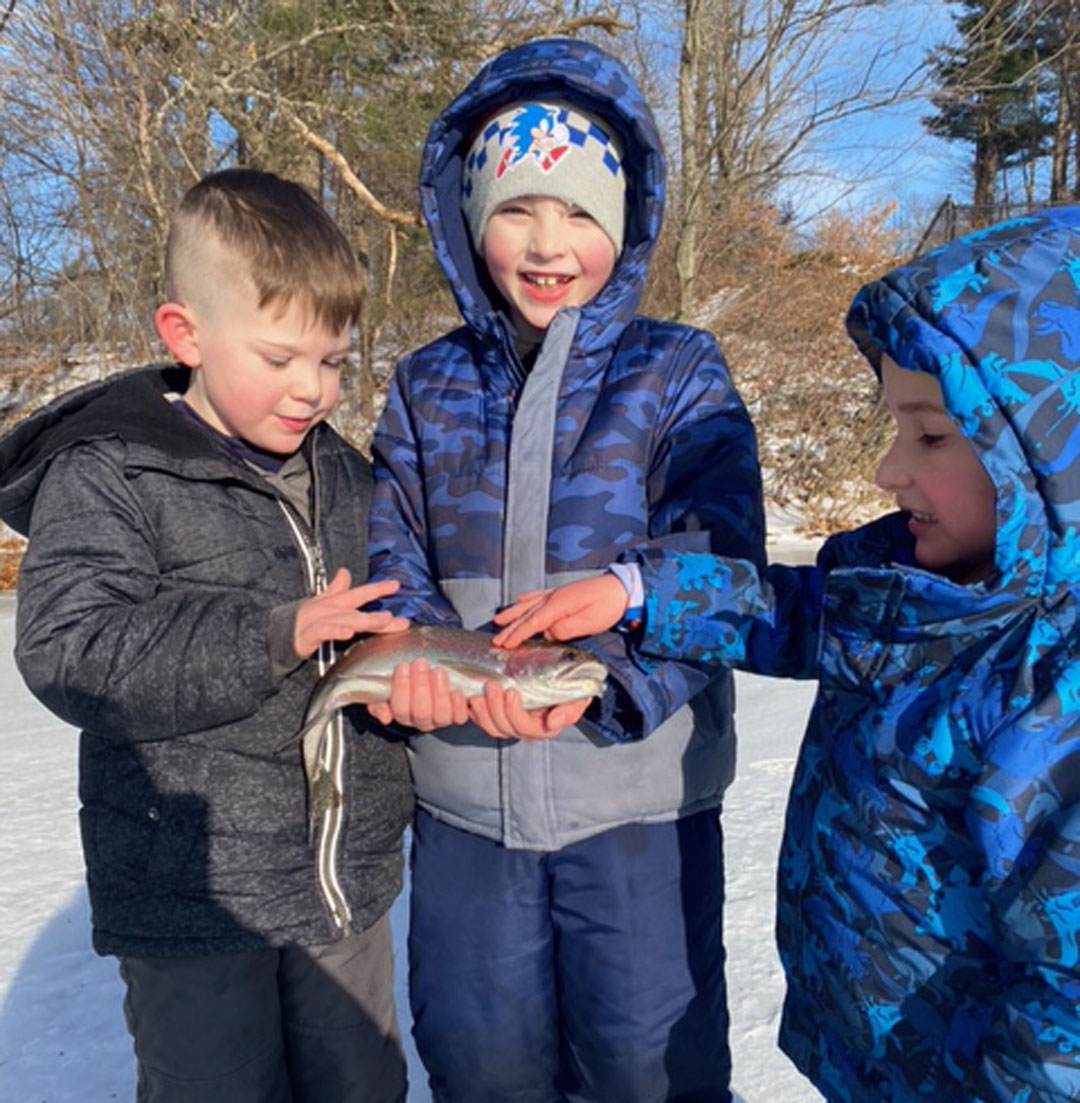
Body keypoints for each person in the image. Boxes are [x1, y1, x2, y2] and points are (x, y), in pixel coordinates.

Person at [493, 207, 1080, 1102]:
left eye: (930, 435)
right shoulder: (913, 591)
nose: (888, 470)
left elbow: (1065, 1014)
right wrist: (642, 593)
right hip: (869, 1059)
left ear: (1051, 455)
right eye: (896, 428)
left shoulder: (1055, 691)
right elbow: (794, 612)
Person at [365, 35, 765, 1103]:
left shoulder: (677, 373)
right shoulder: (425, 385)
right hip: (466, 804)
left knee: (650, 1066)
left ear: (626, 225)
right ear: (467, 219)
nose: (549, 244)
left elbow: (725, 574)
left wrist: (610, 659)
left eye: (581, 212)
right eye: (517, 209)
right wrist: (418, 666)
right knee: (481, 1060)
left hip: (638, 810)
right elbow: (392, 552)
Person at [0, 168, 416, 1103]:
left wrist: (402, 674)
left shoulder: (349, 479)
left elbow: (379, 629)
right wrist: (273, 634)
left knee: (361, 1086)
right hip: (193, 904)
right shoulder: (110, 472)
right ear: (184, 335)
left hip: (341, 892)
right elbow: (69, 646)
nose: (313, 390)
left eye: (333, 361)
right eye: (280, 358)